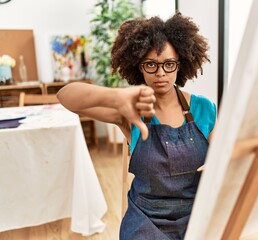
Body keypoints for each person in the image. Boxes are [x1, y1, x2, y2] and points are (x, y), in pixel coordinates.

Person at [57, 12, 216, 240]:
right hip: (146, 219)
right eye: (150, 64)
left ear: (180, 65)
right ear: (139, 66)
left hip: (197, 216)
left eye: (169, 64)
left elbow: (224, 159)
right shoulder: (129, 111)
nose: (160, 73)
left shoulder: (204, 109)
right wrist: (117, 99)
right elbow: (65, 96)